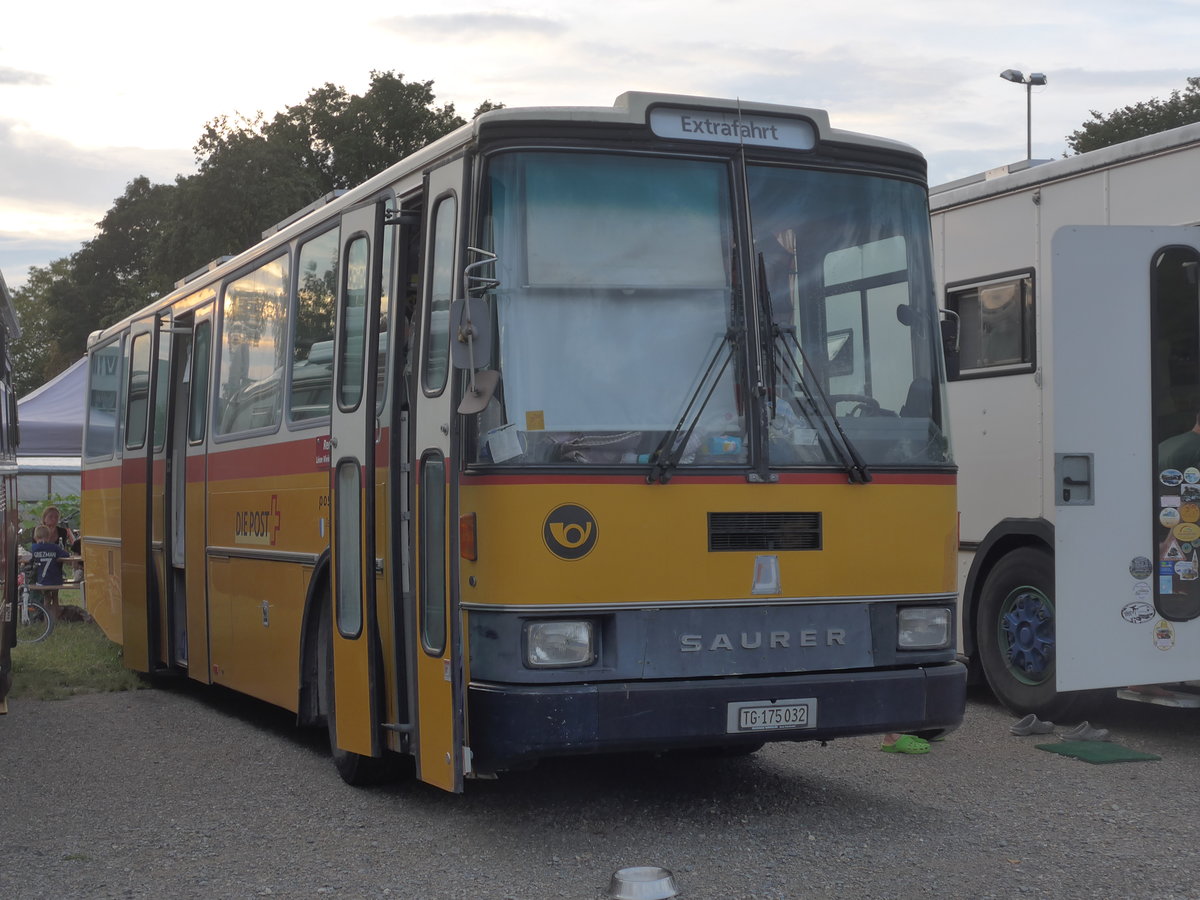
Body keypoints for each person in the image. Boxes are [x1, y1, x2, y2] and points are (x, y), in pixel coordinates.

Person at [30, 524, 70, 618]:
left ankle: (46, 619)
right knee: (55, 596)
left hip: (42, 582)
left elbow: (30, 558)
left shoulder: (34, 548)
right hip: (55, 581)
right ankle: (55, 616)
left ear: (35, 537)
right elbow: (66, 555)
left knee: (46, 598)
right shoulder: (54, 547)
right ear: (49, 536)